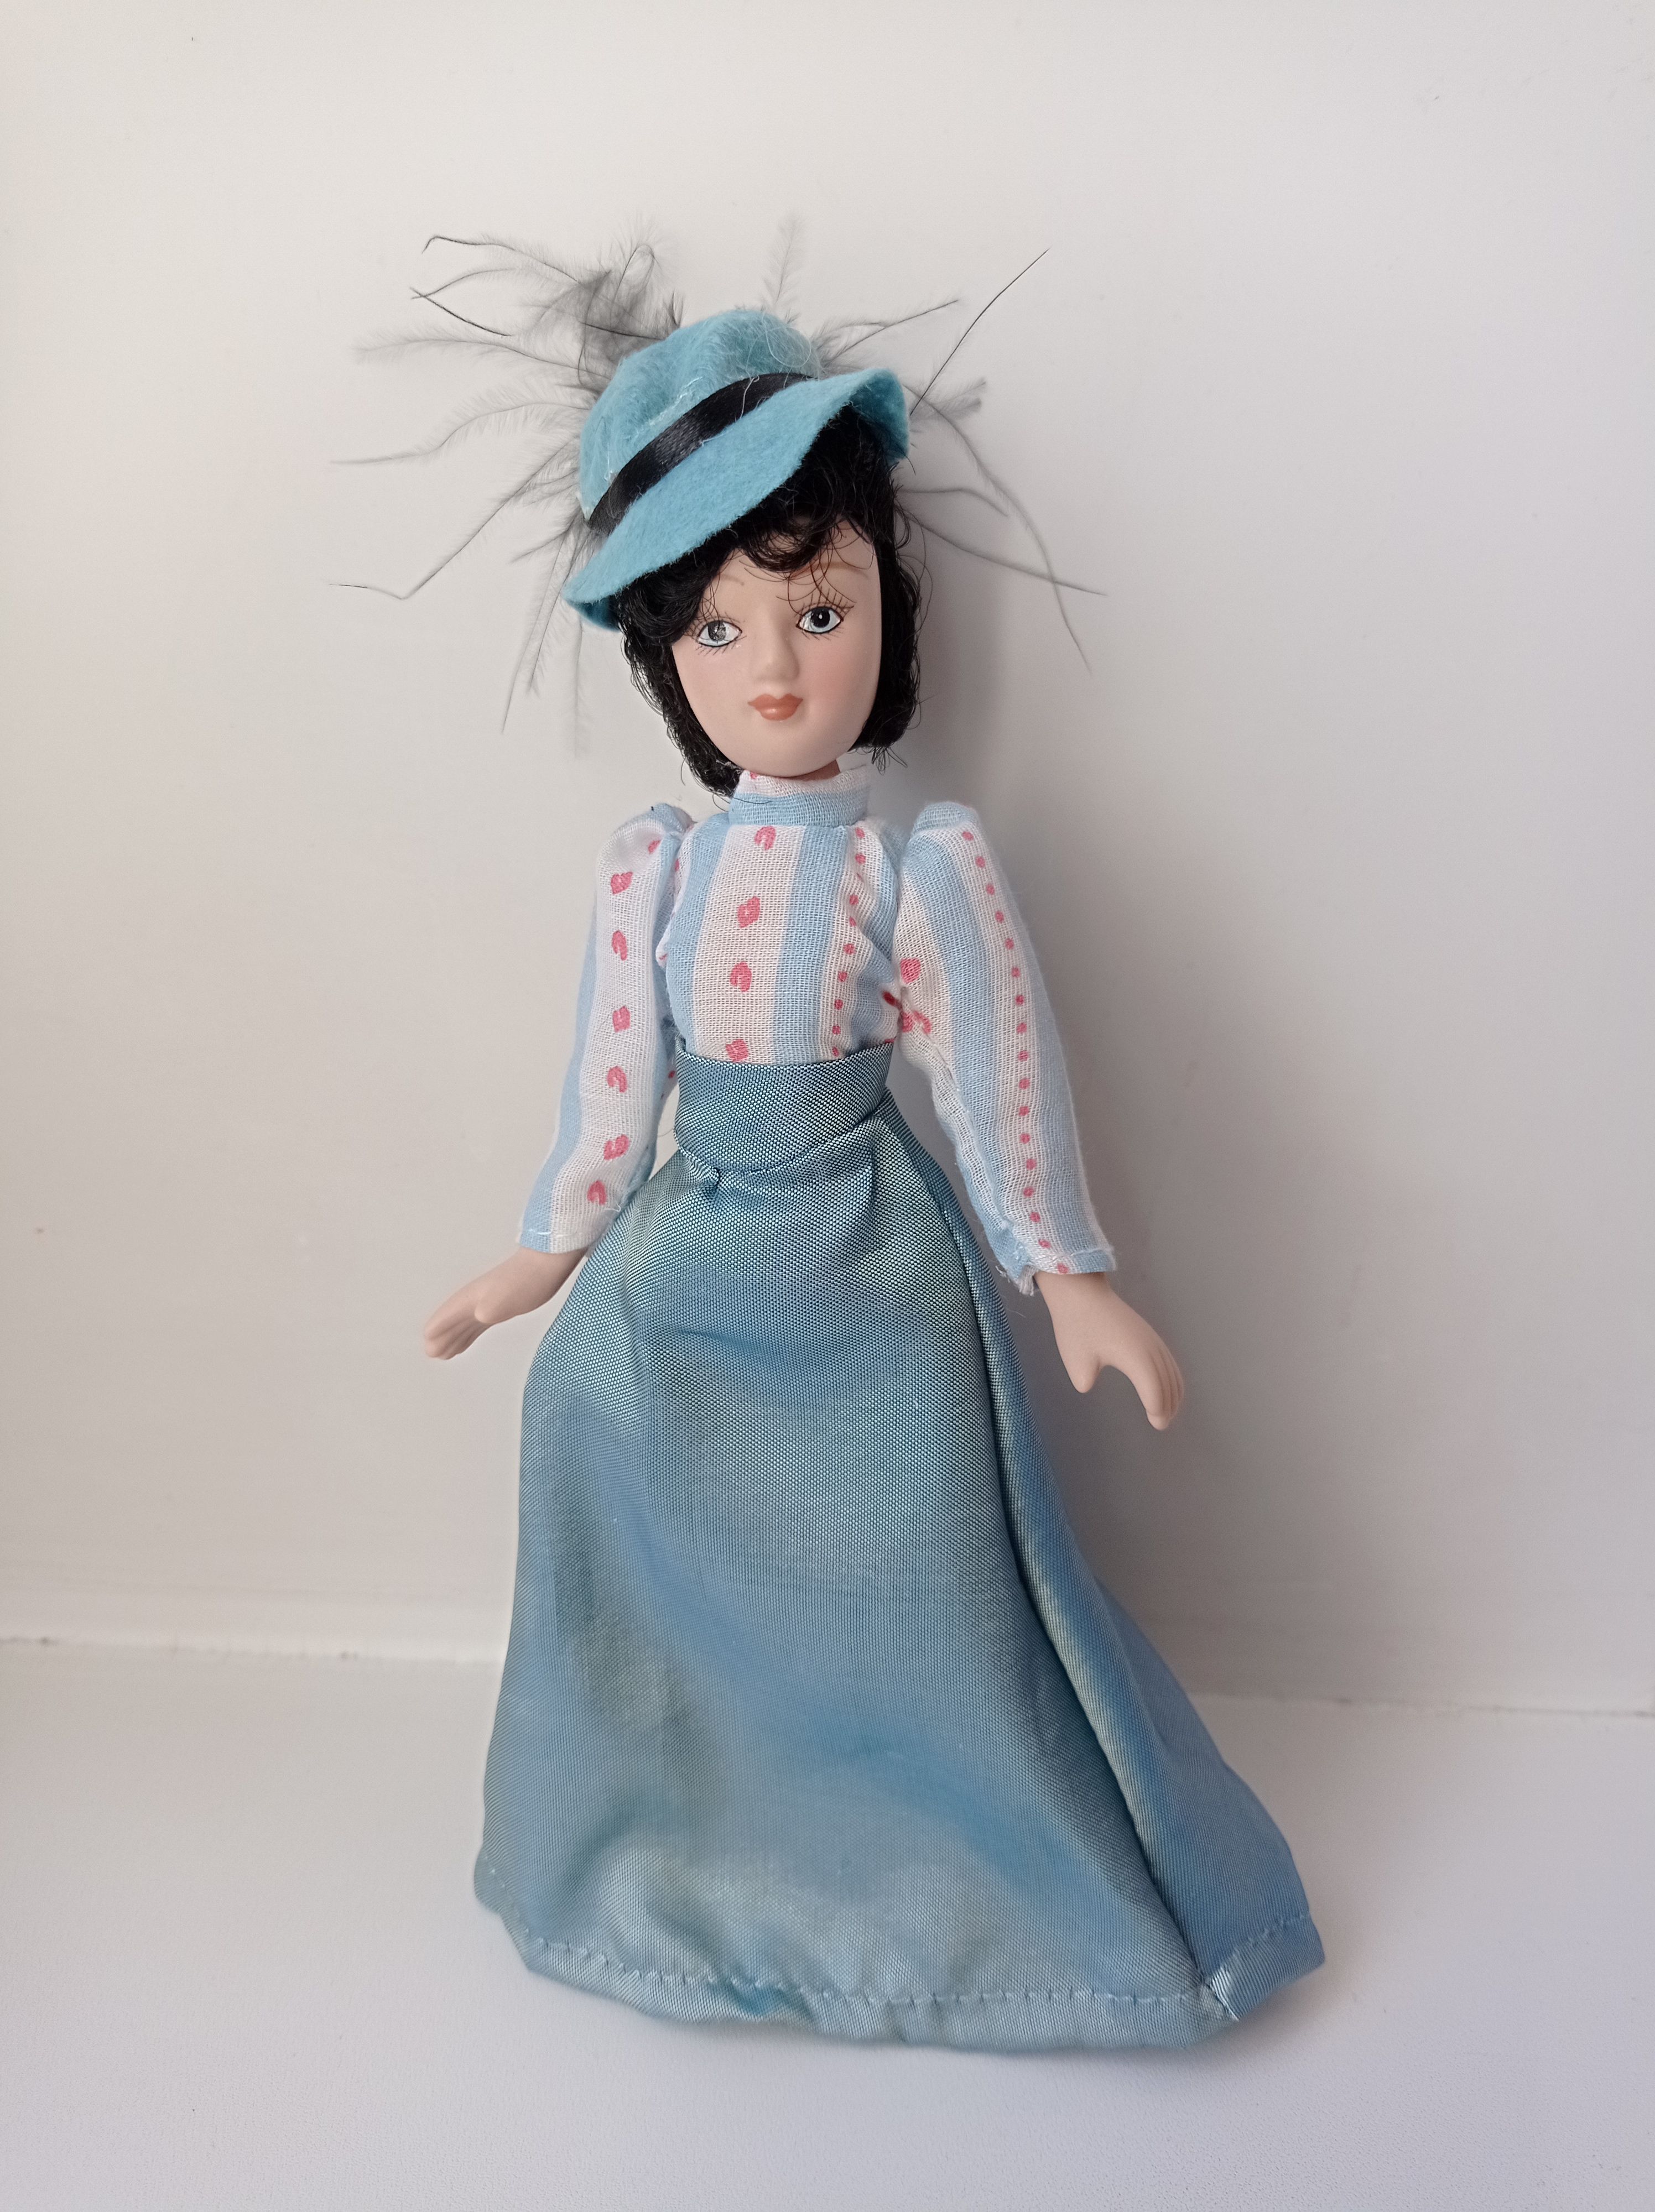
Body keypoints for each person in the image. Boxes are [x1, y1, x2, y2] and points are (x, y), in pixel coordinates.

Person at [418, 286, 1323, 2048]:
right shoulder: (659, 870)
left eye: (817, 608)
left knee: (915, 1565)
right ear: (666, 660)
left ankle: (954, 1888)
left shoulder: (919, 873)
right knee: (593, 1442)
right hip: (684, 1264)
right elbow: (613, 1093)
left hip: (865, 1265)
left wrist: (1067, 1275)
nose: (774, 666)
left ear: (885, 613)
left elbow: (992, 1079)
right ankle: (672, 1841)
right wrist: (540, 1255)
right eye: (719, 627)